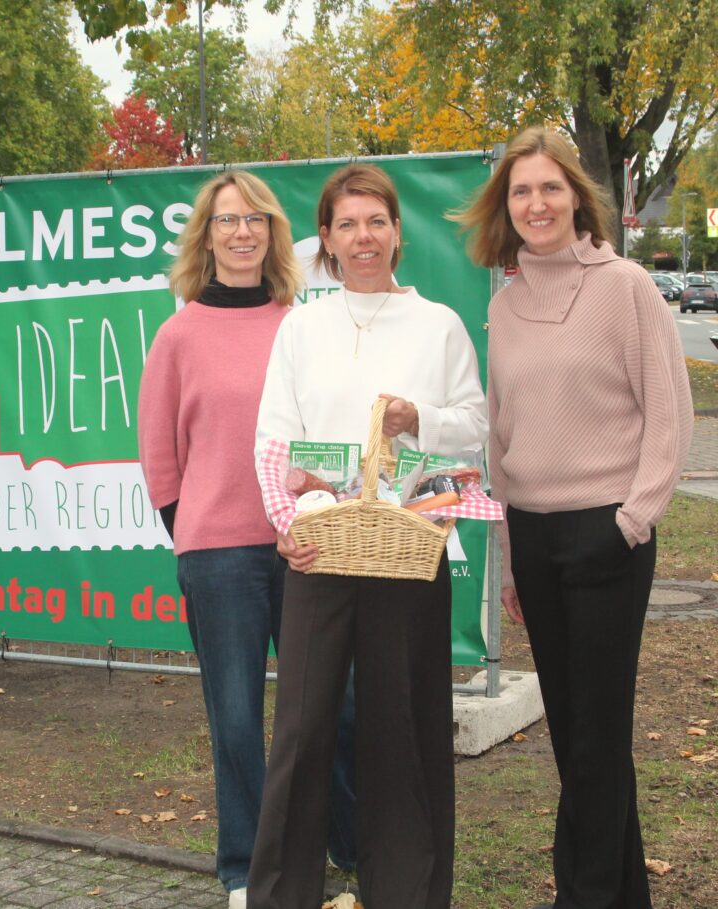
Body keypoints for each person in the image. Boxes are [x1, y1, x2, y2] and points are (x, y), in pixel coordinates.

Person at [454, 127, 693, 909]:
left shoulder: (625, 286)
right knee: (576, 740)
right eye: (521, 190)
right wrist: (511, 560)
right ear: (506, 206)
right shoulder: (506, 304)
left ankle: (581, 896)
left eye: (550, 187)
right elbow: (501, 434)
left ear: (576, 197)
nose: (536, 202)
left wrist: (632, 519)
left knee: (595, 739)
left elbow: (671, 413)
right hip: (534, 532)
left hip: (608, 534)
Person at [247, 163, 488, 909]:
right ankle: (283, 895)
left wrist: (422, 420)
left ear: (397, 232)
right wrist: (286, 530)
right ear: (325, 237)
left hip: (407, 555)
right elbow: (273, 440)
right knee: (302, 733)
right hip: (320, 552)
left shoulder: (439, 324)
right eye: (347, 224)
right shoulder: (302, 326)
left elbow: (476, 429)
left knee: (403, 731)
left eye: (376, 221)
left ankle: (407, 891)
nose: (363, 237)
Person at [137, 170, 356, 909]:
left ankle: (346, 843)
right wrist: (193, 529)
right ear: (207, 235)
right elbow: (159, 454)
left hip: (308, 545)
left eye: (255, 219)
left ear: (272, 233)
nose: (241, 232)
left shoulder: (304, 325)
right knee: (234, 714)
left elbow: (325, 430)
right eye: (227, 220)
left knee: (331, 702)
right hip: (218, 555)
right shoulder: (178, 334)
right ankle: (245, 865)